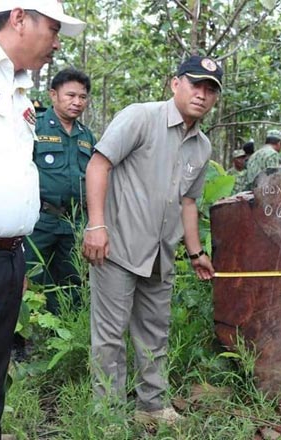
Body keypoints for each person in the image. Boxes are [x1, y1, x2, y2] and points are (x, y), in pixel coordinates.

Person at [82, 55, 218, 425]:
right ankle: (108, 416)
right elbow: (99, 164)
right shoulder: (140, 117)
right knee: (110, 337)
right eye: (196, 84)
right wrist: (96, 226)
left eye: (210, 89)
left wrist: (196, 253)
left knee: (155, 332)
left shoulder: (202, 146)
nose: (202, 95)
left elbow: (188, 201)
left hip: (162, 254)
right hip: (118, 248)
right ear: (176, 84)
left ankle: (152, 408)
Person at [0, 2, 85, 438]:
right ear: (18, 18)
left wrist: (16, 258)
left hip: (9, 253)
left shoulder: (20, 89)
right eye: (53, 28)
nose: (57, 41)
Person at [25, 68, 96, 313]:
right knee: (26, 276)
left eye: (83, 97)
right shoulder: (36, 126)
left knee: (71, 283)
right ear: (53, 95)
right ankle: (19, 341)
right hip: (39, 219)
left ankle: (63, 334)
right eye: (70, 95)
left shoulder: (86, 136)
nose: (77, 102)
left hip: (74, 222)